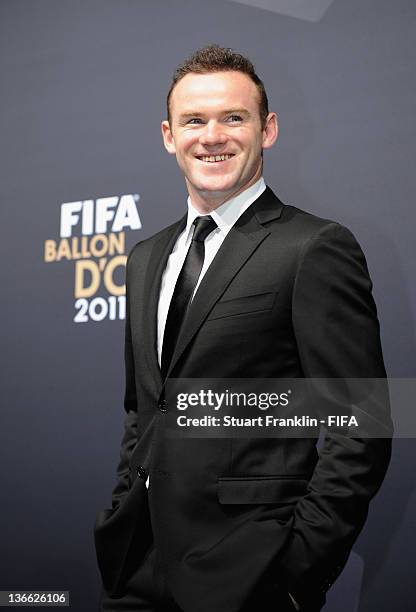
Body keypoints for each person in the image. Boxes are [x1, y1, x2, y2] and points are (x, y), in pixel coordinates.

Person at [94, 45, 392, 612]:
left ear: (268, 128)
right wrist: (121, 510)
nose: (212, 136)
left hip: (249, 574)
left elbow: (364, 423)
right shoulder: (144, 257)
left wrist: (296, 569)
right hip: (135, 566)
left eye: (233, 117)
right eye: (193, 121)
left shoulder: (313, 247)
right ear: (168, 135)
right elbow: (145, 408)